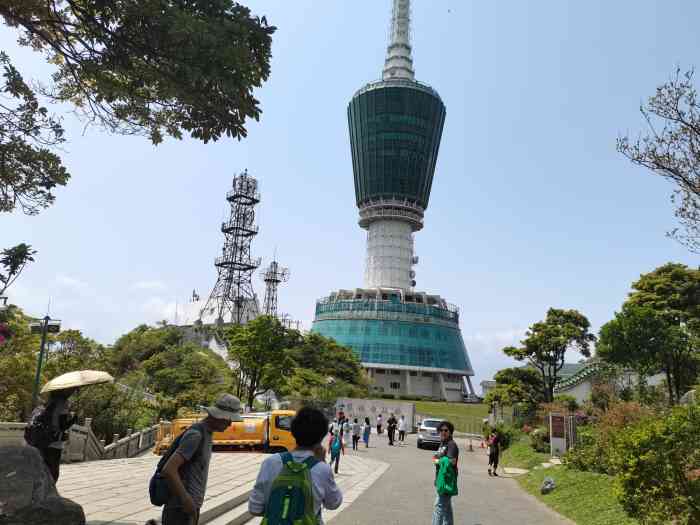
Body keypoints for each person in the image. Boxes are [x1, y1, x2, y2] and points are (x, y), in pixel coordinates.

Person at [249, 407, 342, 524]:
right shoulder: (322, 469)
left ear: (293, 432)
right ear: (322, 436)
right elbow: (334, 503)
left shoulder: (270, 463)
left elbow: (254, 509)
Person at [161, 393, 242, 525]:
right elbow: (169, 469)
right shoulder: (196, 435)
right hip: (180, 509)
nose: (230, 424)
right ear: (219, 417)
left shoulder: (208, 434)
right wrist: (186, 499)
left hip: (190, 507)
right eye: (228, 419)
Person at [27, 388, 77, 482]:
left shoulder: (47, 403)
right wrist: (74, 418)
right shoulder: (63, 404)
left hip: (41, 441)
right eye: (71, 391)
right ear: (65, 392)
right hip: (54, 442)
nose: (72, 392)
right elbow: (62, 426)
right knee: (53, 473)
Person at [432, 421, 458, 525]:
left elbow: (451, 461)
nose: (443, 432)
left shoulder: (451, 445)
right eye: (441, 430)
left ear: (450, 432)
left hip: (447, 480)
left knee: (438, 507)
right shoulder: (443, 443)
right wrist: (437, 459)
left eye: (446, 430)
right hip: (440, 478)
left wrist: (437, 460)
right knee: (446, 508)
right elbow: (436, 457)